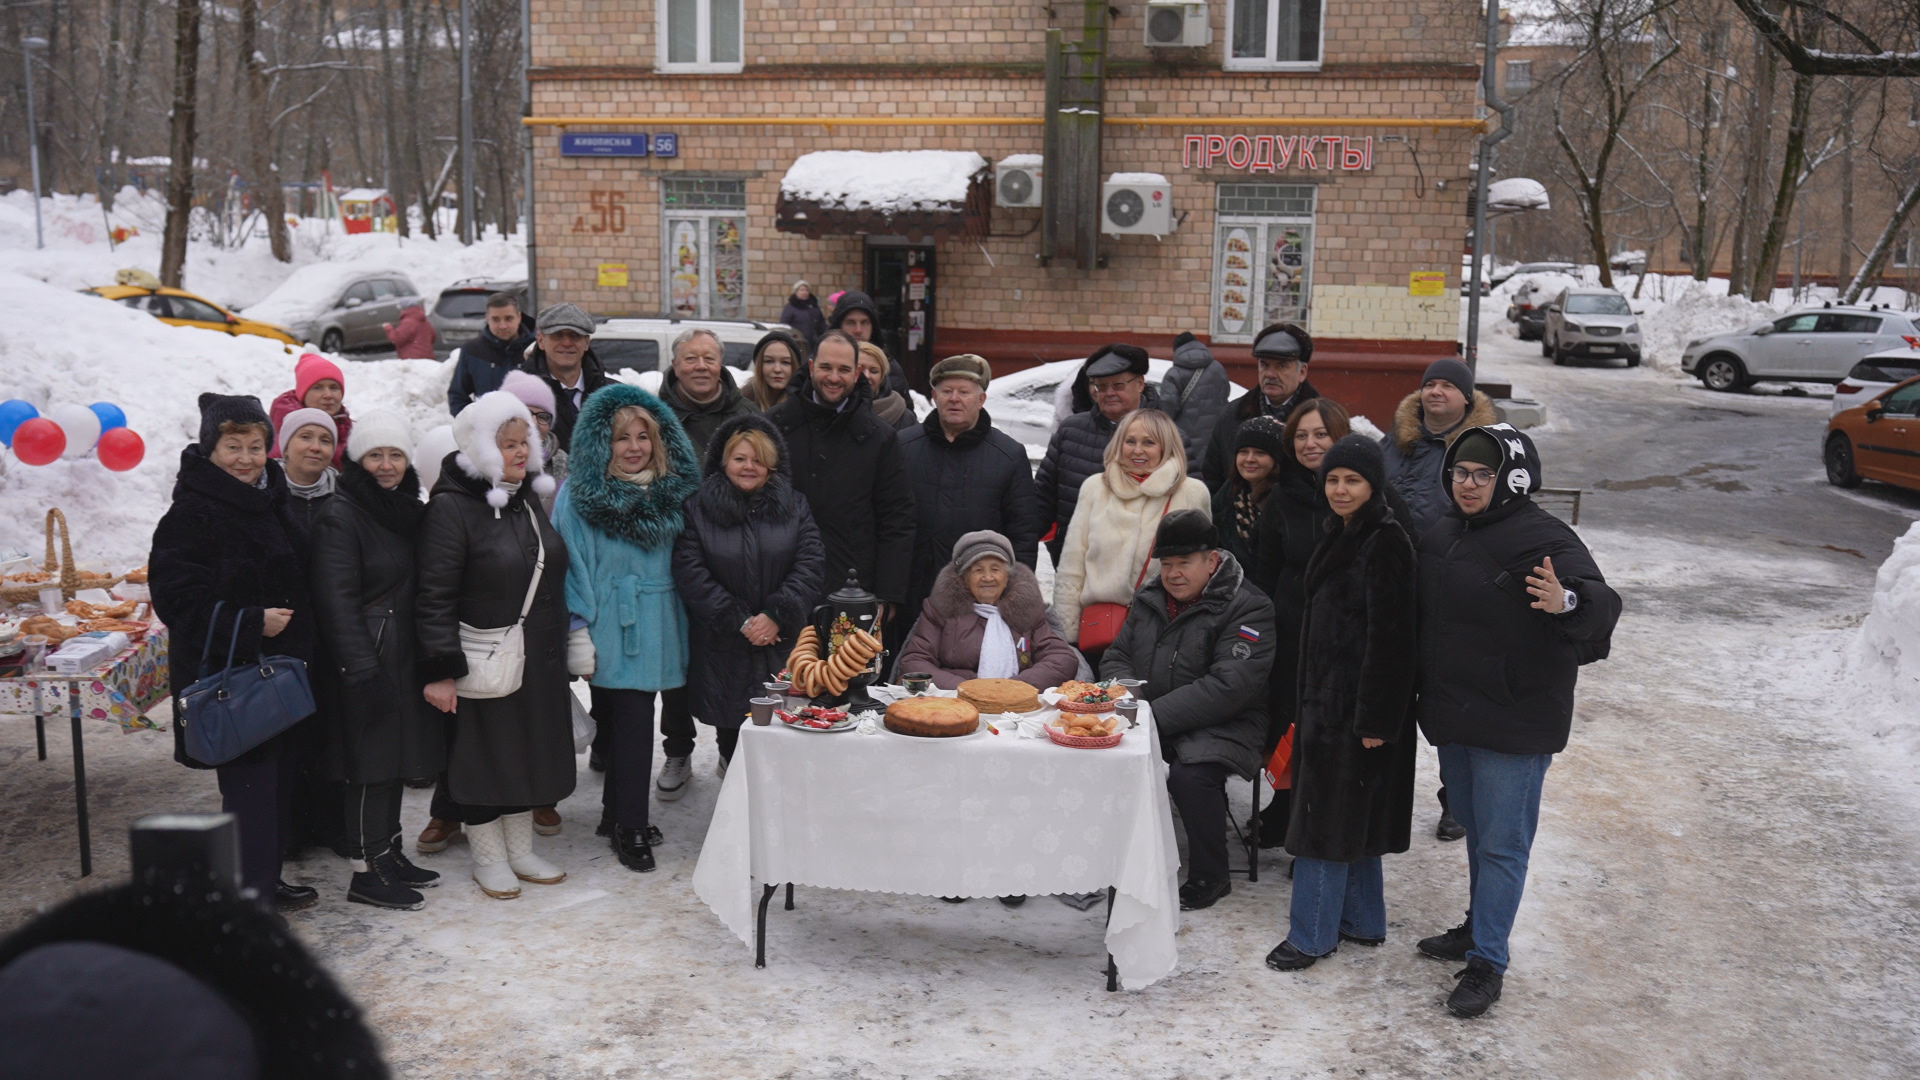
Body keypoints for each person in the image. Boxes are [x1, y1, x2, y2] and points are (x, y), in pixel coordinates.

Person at [1413, 424, 1620, 1019]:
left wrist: (1569, 602)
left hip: (1515, 721)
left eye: (1483, 474)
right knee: (1478, 834)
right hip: (1455, 714)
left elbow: (1603, 605)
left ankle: (1488, 962)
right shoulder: (1444, 531)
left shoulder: (1543, 536)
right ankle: (1479, 926)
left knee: (1503, 844)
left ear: (1512, 478)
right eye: (1460, 472)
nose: (1468, 484)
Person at [149, 393, 318, 911]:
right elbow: (176, 600)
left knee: (277, 787)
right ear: (211, 448)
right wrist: (249, 623)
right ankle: (248, 900)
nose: (245, 457)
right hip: (234, 675)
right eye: (232, 446)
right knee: (249, 795)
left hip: (281, 672)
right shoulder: (192, 512)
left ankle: (264, 878)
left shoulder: (270, 496)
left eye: (254, 445)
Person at [1267, 435, 1418, 972]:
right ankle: (1361, 920)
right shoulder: (1344, 532)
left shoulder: (1385, 541)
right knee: (1354, 816)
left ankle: (1310, 936)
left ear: (1373, 484)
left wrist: (1377, 718)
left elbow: (1394, 639)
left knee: (1323, 823)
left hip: (1353, 712)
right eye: (1332, 479)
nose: (1339, 489)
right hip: (1328, 707)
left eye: (1351, 480)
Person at [414, 390, 573, 900]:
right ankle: (488, 858)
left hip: (534, 657)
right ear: (479, 447)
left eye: (524, 440)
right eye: (506, 444)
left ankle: (520, 850)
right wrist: (440, 669)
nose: (520, 452)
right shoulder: (451, 509)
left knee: (524, 750)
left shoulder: (524, 498)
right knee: (483, 756)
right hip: (480, 657)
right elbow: (433, 594)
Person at [552, 384, 699, 874]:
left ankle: (614, 812)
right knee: (635, 720)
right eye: (621, 438)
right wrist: (577, 631)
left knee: (622, 718)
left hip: (663, 619)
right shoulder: (580, 494)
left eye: (643, 436)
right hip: (609, 621)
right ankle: (632, 826)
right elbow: (569, 564)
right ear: (601, 442)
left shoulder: (672, 490)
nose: (634, 447)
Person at [1102, 510, 1275, 911]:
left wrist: (1149, 718)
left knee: (1190, 775)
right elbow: (1116, 657)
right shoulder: (1149, 599)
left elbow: (1229, 687)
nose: (1174, 574)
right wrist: (1132, 706)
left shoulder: (1247, 607)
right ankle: (1104, 858)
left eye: (1185, 563)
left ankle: (1210, 875)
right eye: (1167, 564)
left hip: (1228, 721)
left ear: (1211, 561)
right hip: (1151, 713)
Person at [307, 409, 444, 910]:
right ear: (357, 460)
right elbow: (336, 599)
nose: (386, 465)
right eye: (375, 455)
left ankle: (389, 853)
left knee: (394, 759)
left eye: (395, 455)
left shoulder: (404, 507)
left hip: (401, 649)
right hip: (366, 656)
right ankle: (366, 872)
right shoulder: (340, 514)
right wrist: (361, 670)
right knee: (368, 764)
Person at [674, 414, 826, 775]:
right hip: (724, 641)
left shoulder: (795, 505)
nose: (748, 466)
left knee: (785, 729)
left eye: (758, 459)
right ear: (723, 461)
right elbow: (690, 570)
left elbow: (811, 561)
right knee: (732, 730)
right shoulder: (697, 508)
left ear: (772, 465)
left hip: (782, 641)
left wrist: (776, 614)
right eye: (740, 458)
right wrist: (738, 619)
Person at [1247, 398, 1352, 844]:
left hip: (1343, 634)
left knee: (1330, 728)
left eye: (1321, 434)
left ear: (1340, 437)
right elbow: (1263, 570)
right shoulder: (1282, 499)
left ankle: (1319, 824)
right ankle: (1285, 810)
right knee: (1289, 722)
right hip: (1290, 628)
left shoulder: (1359, 492)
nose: (1311, 444)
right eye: (1302, 436)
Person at [893, 354, 1042, 659]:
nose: (954, 399)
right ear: (934, 396)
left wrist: (1013, 594)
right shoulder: (903, 447)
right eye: (946, 391)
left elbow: (1023, 532)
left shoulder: (1008, 455)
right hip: (909, 589)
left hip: (979, 594)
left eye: (964, 391)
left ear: (982, 398)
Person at [766, 329, 915, 615]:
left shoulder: (879, 437)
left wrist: (887, 596)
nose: (834, 378)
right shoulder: (774, 427)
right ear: (811, 367)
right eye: (825, 367)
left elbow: (897, 519)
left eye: (844, 369)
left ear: (857, 372)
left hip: (852, 591)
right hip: (780, 589)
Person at [1053, 408, 1209, 670]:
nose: (1138, 450)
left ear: (1166, 447)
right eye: (1130, 441)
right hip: (1101, 629)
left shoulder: (1191, 493)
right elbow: (1073, 564)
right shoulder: (1095, 488)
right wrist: (1066, 633)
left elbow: (1202, 568)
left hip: (1165, 629)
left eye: (1149, 442)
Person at [898, 530, 1079, 691]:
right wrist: (965, 688)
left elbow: (1061, 658)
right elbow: (915, 661)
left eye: (995, 569)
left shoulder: (1026, 610)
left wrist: (1015, 687)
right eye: (978, 570)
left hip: (1016, 704)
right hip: (956, 704)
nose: (988, 577)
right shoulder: (941, 610)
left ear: (1007, 576)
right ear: (963, 577)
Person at [1035, 344, 1163, 567]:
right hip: (1077, 566)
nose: (1109, 393)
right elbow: (1042, 499)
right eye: (1101, 386)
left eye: (1118, 385)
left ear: (1140, 383)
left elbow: (1186, 510)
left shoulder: (1166, 434)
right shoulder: (1070, 432)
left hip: (1143, 570)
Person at [1382, 356, 1498, 537]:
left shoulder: (1482, 448)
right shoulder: (1392, 442)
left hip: (1448, 557)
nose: (1436, 391)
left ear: (1466, 397)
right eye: (1429, 385)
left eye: (1447, 386)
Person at [1200, 323, 1317, 492]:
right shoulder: (1233, 415)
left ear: (1302, 372)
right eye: (1264, 365)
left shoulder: (1322, 419)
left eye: (1281, 366)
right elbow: (1213, 477)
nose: (1270, 374)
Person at [520, 301, 611, 452]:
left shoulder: (611, 395)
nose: (567, 343)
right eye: (558, 335)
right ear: (541, 341)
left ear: (586, 343)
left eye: (575, 335)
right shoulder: (519, 396)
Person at [660, 327, 759, 461]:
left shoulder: (748, 414)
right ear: (675, 366)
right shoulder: (656, 418)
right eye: (691, 358)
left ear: (720, 364)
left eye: (709, 359)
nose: (701, 366)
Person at [1209, 414, 1286, 572]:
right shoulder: (1226, 498)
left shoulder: (1287, 501)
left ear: (1277, 459)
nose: (1249, 459)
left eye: (1260, 453)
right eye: (1243, 452)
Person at [448, 291, 533, 415]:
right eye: (496, 319)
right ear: (487, 318)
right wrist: (472, 423)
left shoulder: (535, 349)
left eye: (508, 318)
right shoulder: (472, 351)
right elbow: (457, 395)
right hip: (487, 428)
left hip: (529, 427)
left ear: (519, 317)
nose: (502, 326)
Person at [1159, 331, 1231, 478]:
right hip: (1216, 437)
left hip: (1185, 439)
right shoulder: (1217, 368)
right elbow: (1225, 394)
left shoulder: (1174, 374)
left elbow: (1168, 407)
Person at [500, 369, 569, 518]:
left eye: (543, 416)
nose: (534, 422)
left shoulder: (564, 463)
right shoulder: (489, 463)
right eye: (525, 412)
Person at [269, 352, 353, 469]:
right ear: (302, 394)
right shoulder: (282, 441)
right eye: (317, 388)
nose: (328, 395)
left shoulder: (349, 430)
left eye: (334, 387)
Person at [828, 289, 910, 397]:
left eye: (865, 323)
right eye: (850, 322)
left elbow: (905, 410)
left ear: (873, 327)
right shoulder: (822, 364)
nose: (858, 330)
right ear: (839, 326)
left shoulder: (890, 367)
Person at [275, 407, 338, 533]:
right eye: (305, 437)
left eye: (325, 441)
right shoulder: (263, 492)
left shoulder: (345, 496)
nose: (316, 447)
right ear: (286, 447)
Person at [858, 341, 916, 431]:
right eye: (861, 369)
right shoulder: (835, 407)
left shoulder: (903, 416)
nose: (867, 376)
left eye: (874, 371)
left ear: (882, 377)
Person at [742, 330, 805, 412]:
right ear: (759, 366)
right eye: (769, 361)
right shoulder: (742, 403)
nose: (777, 369)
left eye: (785, 362)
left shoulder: (805, 404)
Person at [779, 279, 827, 345]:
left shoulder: (814, 306)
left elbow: (821, 323)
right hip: (797, 342)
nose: (804, 292)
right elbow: (784, 325)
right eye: (801, 290)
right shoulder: (790, 307)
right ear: (796, 292)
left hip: (814, 343)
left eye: (806, 290)